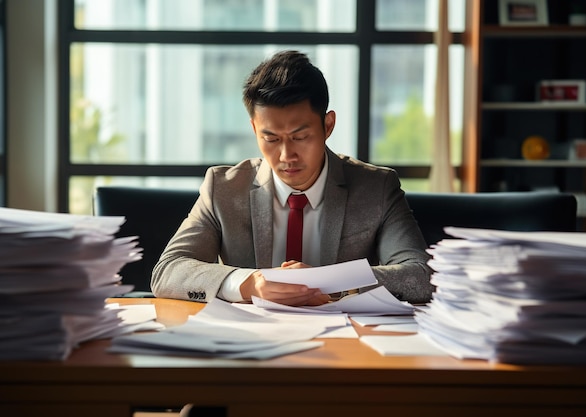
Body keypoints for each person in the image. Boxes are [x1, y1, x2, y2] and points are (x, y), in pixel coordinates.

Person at [151, 50, 433, 306]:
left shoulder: (376, 188)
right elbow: (168, 271)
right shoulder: (223, 188)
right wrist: (248, 283)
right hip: (250, 344)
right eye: (271, 138)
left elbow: (421, 276)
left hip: (345, 346)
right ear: (254, 128)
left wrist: (331, 281)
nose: (286, 155)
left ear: (328, 125)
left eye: (300, 137)